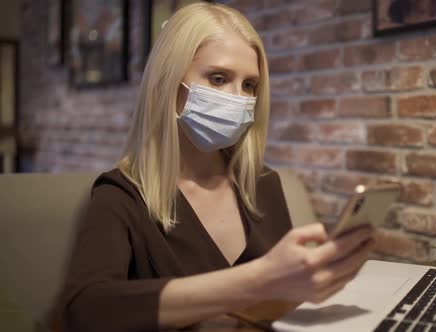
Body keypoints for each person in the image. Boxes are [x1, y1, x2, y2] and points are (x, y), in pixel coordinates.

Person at [56, 2, 375, 331]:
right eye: (218, 78)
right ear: (169, 82)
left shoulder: (262, 184)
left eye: (249, 85)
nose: (238, 98)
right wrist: (258, 280)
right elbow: (84, 310)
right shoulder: (121, 196)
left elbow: (280, 307)